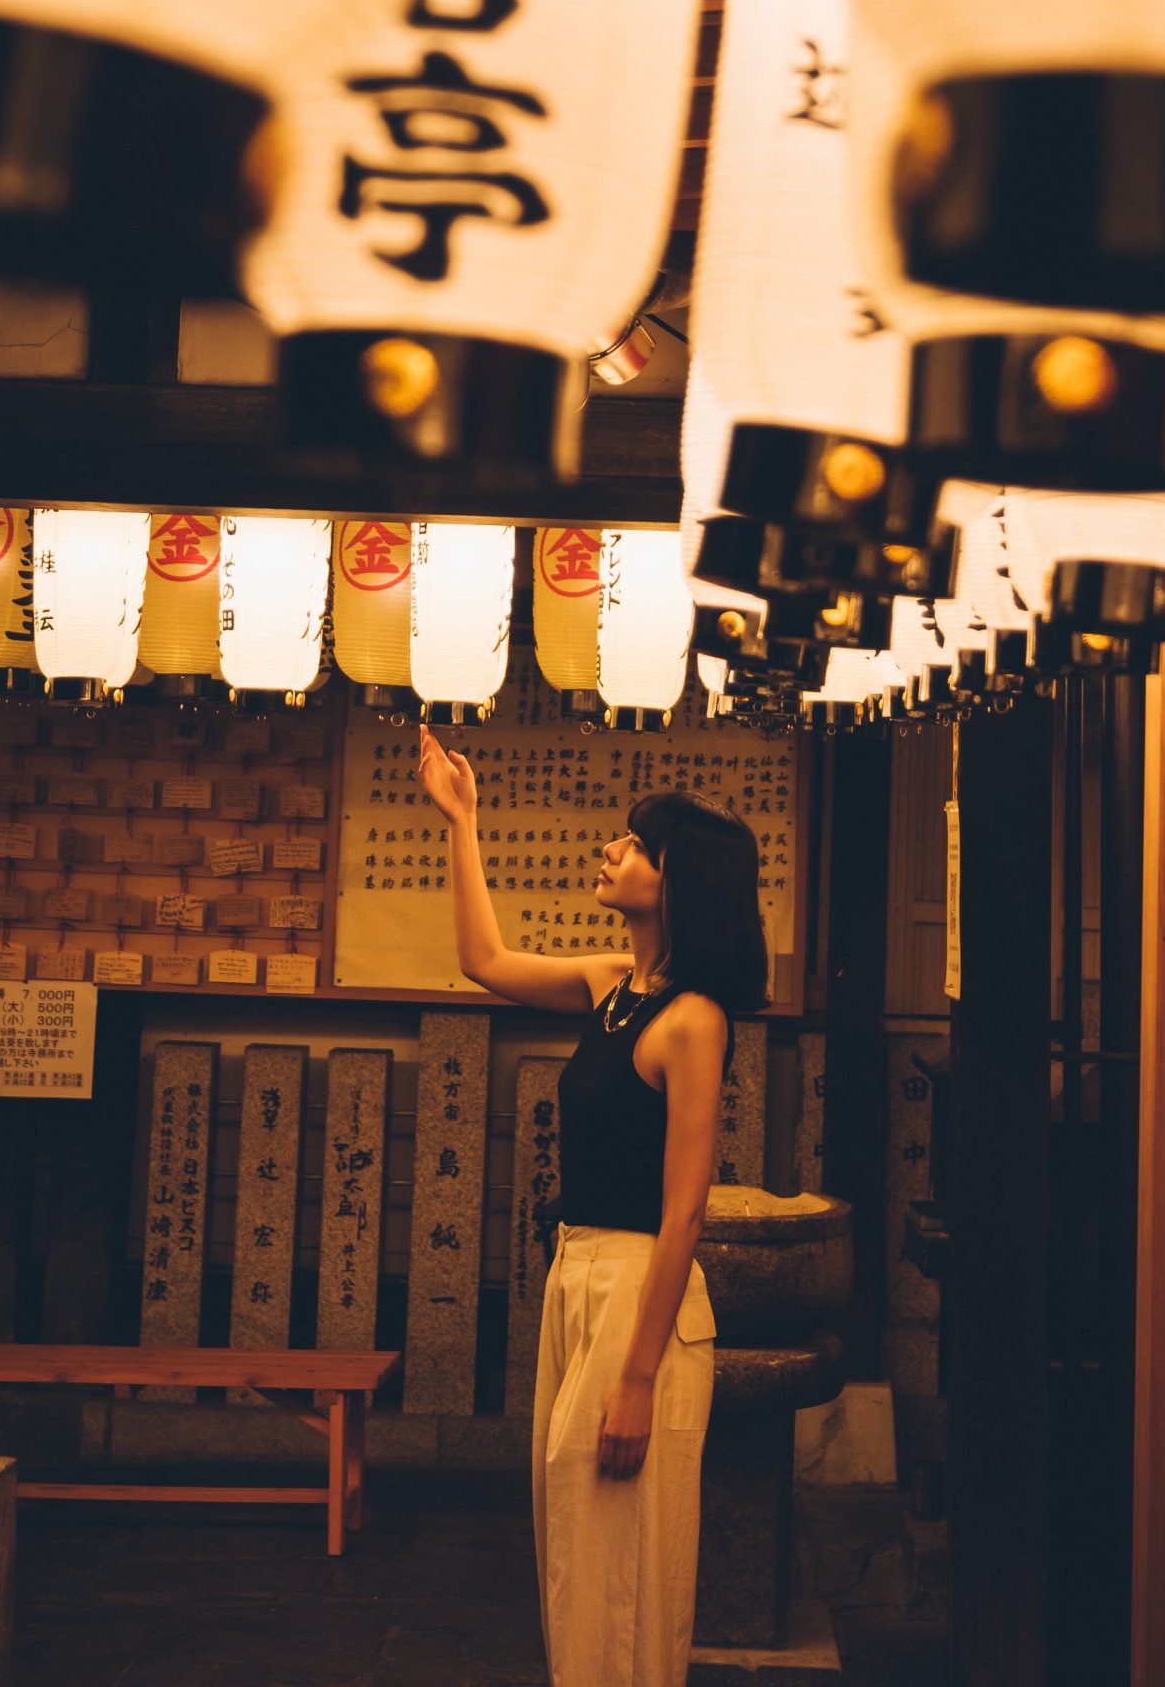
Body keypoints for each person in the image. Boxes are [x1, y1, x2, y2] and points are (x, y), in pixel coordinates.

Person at [416, 722, 768, 1687]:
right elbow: (483, 959)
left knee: (623, 1572)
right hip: (579, 1278)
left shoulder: (693, 1019)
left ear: (675, 881)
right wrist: (462, 821)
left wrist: (639, 1379)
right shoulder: (615, 986)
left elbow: (685, 1213)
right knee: (577, 1551)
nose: (605, 851)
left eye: (629, 844)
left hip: (636, 1295)